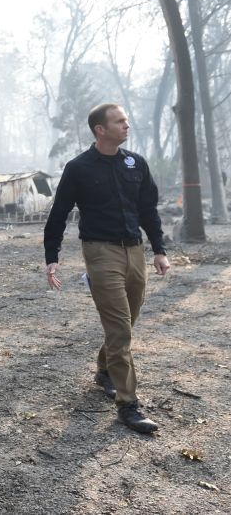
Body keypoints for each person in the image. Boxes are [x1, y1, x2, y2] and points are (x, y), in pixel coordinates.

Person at [44, 103, 170, 434]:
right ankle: (129, 405)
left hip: (135, 251)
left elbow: (148, 209)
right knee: (120, 329)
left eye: (126, 120)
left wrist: (159, 249)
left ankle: (104, 369)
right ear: (101, 129)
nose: (127, 125)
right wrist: (51, 256)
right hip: (100, 252)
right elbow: (58, 213)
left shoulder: (136, 163)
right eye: (120, 121)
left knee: (126, 321)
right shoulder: (79, 168)